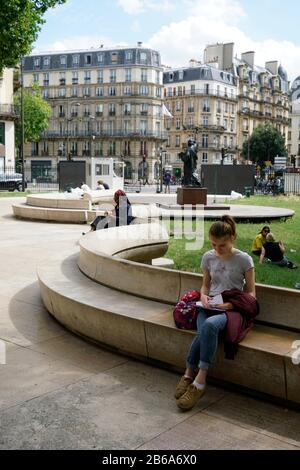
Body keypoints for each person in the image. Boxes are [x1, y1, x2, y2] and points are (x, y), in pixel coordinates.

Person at [175, 215, 256, 411]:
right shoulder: (208, 257)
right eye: (213, 244)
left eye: (222, 245)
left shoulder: (244, 259)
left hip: (232, 309)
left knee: (209, 326)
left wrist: (230, 306)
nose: (217, 249)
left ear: (233, 238)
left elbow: (251, 294)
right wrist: (203, 297)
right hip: (209, 305)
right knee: (205, 329)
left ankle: (198, 380)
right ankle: (188, 374)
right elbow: (205, 285)